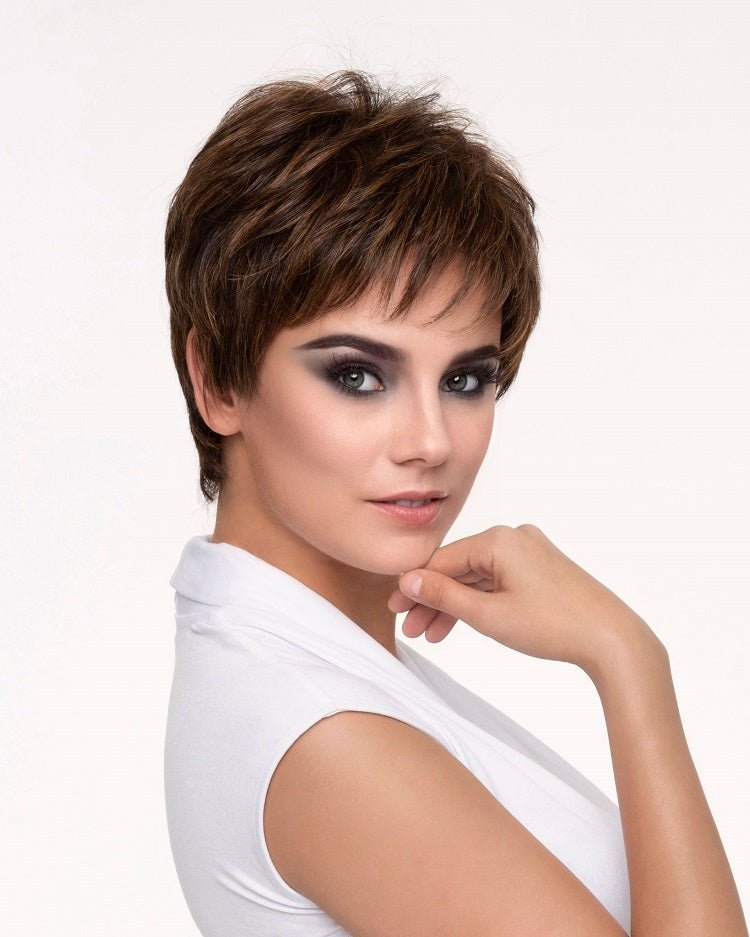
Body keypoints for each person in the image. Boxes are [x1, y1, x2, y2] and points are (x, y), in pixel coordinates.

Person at [162, 69, 748, 937]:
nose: (431, 440)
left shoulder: (311, 670)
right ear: (217, 381)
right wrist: (629, 660)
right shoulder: (322, 732)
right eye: (358, 375)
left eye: (466, 379)